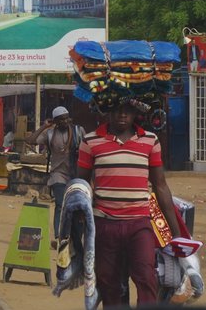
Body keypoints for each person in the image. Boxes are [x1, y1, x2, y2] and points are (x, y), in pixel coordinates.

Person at [77, 98, 181, 307]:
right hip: (104, 224)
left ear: (135, 114)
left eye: (127, 110)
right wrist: (76, 230)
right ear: (107, 112)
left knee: (146, 276)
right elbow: (80, 186)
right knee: (109, 282)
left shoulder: (151, 141)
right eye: (116, 109)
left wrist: (177, 234)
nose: (121, 115)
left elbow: (160, 186)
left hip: (140, 223)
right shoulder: (90, 141)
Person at [26, 106, 85, 248]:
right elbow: (31, 140)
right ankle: (59, 237)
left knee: (78, 207)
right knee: (60, 204)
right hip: (58, 174)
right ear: (55, 121)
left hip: (76, 174)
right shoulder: (50, 134)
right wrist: (44, 127)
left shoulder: (78, 131)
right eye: (61, 119)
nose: (65, 121)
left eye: (66, 118)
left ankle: (75, 237)